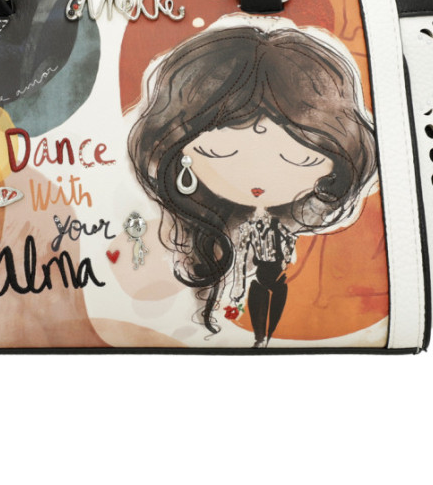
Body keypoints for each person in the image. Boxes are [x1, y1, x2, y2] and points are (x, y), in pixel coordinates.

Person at [127, 17, 378, 345]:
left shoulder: (334, 247)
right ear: (178, 150)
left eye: (300, 159)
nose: (259, 177)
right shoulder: (155, 238)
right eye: (219, 152)